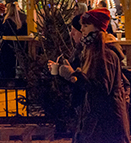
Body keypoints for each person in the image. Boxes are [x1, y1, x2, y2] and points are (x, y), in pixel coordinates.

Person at [50, 8, 130, 143]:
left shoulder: (105, 54)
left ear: (98, 27)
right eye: (82, 25)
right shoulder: (91, 50)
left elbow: (101, 88)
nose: (82, 29)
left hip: (105, 122)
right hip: (95, 119)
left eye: (86, 25)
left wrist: (72, 75)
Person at [0, 2, 22, 78]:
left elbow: (2, 31)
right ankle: (11, 78)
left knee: (5, 63)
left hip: (6, 45)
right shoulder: (18, 21)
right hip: (14, 45)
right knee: (11, 63)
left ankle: (6, 80)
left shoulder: (7, 21)